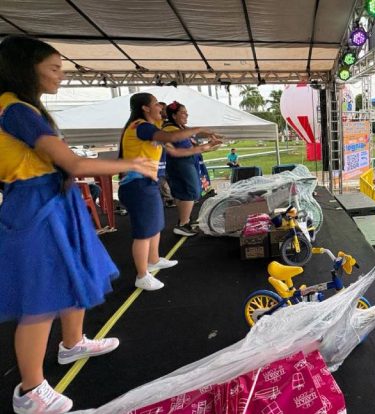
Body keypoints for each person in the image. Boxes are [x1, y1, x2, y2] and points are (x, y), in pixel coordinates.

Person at [0, 36, 156, 413]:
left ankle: (73, 343)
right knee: (41, 297)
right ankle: (30, 390)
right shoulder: (16, 109)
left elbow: (57, 164)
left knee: (73, 274)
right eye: (53, 68)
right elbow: (74, 163)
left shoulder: (24, 110)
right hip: (36, 206)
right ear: (26, 68)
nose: (60, 76)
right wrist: (132, 164)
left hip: (53, 199)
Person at [118, 92, 216, 291]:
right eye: (155, 104)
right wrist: (198, 129)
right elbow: (172, 137)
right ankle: (142, 274)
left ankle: (153, 260)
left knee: (154, 225)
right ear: (145, 108)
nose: (160, 108)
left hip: (148, 183)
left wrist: (206, 147)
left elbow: (176, 151)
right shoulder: (141, 126)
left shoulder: (151, 129)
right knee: (144, 231)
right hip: (137, 185)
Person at [161, 101, 222, 236]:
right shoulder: (171, 130)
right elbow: (187, 149)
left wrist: (211, 145)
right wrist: (209, 145)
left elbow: (193, 146)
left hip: (185, 164)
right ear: (174, 115)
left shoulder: (180, 128)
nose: (186, 115)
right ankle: (183, 224)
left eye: (187, 113)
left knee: (185, 192)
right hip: (181, 164)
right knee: (190, 192)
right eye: (183, 113)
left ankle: (184, 221)